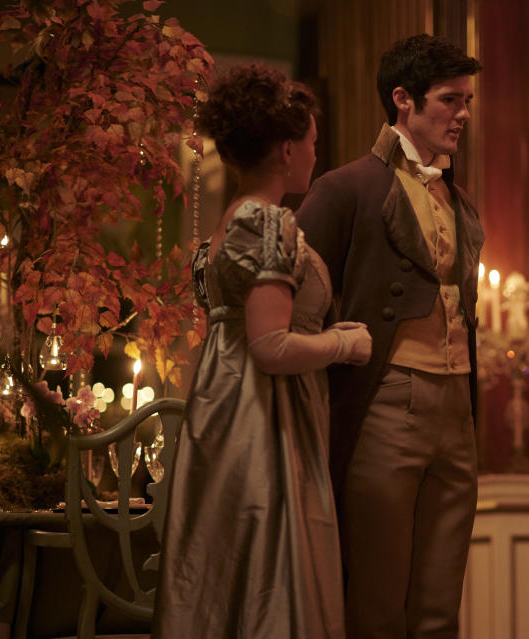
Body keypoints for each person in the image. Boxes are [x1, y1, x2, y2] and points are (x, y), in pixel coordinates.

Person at [153, 64, 371, 639]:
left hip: (224, 408)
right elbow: (270, 345)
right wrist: (345, 343)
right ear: (285, 147)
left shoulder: (230, 221)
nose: (315, 155)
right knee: (271, 570)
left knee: (229, 573)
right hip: (262, 419)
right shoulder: (266, 221)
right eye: (312, 143)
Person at [296, 34, 484, 639]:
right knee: (376, 604)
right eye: (450, 100)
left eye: (467, 101)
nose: (463, 114)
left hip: (456, 406)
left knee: (439, 609)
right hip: (385, 402)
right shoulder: (345, 188)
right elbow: (295, 306)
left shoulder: (458, 198)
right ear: (403, 100)